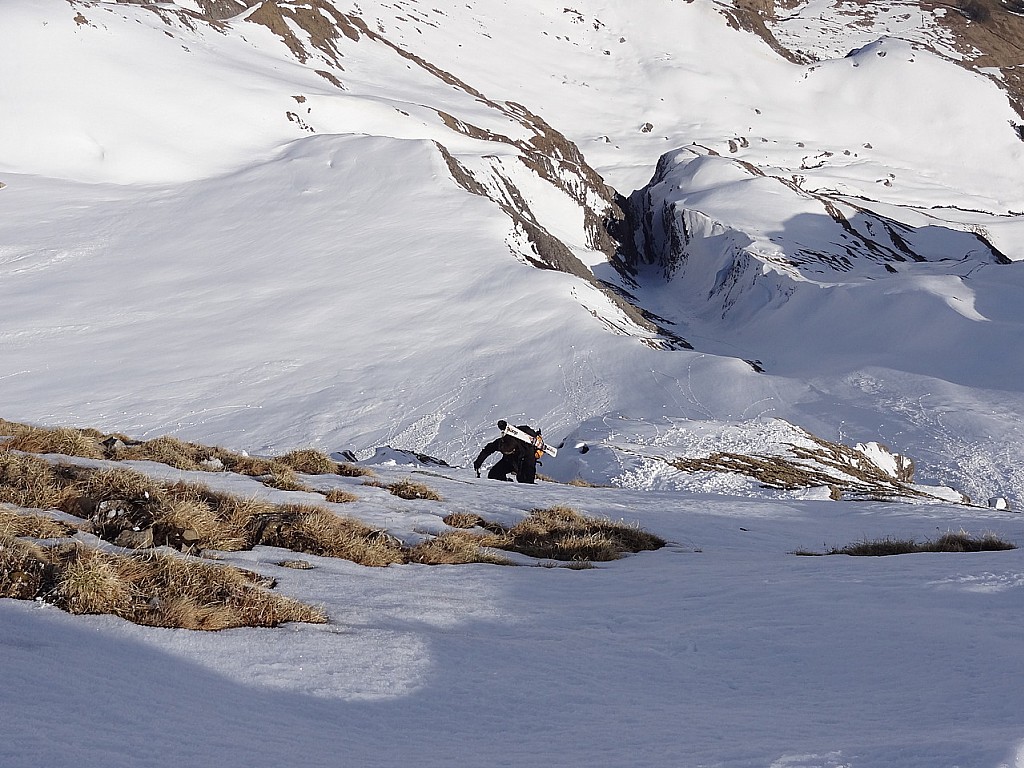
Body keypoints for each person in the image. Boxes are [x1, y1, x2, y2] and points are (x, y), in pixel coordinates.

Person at [473, 420, 541, 483]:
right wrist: (478, 462)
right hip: (509, 461)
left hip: (523, 462)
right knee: (494, 475)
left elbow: (530, 466)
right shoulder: (501, 443)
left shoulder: (526, 448)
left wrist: (530, 481)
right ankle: (506, 485)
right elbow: (487, 450)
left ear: (514, 450)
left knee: (524, 481)